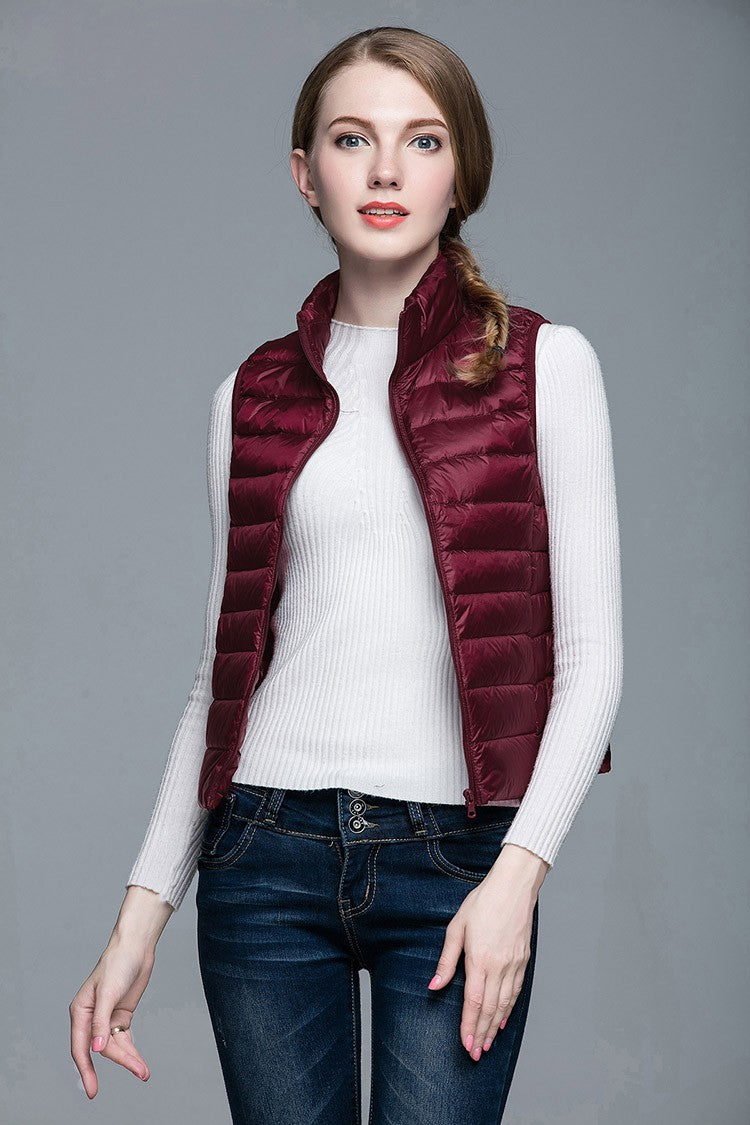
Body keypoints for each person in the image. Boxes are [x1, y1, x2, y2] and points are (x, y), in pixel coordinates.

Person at [69, 25, 623, 1124]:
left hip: (460, 863)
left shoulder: (546, 367)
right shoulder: (249, 395)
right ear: (305, 173)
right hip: (263, 858)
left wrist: (517, 877)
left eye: (422, 140)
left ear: (460, 172)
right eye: (352, 138)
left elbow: (592, 661)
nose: (385, 171)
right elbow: (221, 679)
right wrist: (141, 915)